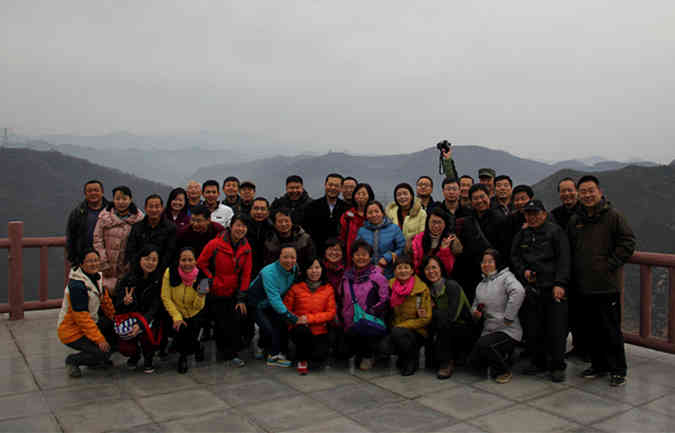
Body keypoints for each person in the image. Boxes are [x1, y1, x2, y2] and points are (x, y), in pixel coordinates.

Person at [568, 175, 635, 387]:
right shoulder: (576, 219)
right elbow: (570, 247)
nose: (587, 195)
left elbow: (628, 242)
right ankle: (598, 365)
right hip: (583, 285)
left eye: (591, 191)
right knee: (591, 329)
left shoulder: (613, 216)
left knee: (611, 329)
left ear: (599, 192)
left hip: (606, 285)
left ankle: (618, 369)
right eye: (583, 191)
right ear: (579, 194)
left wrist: (609, 265)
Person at [511, 200, 571, 383]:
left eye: (536, 213)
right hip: (532, 288)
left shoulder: (555, 232)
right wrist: (523, 271)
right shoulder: (523, 233)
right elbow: (514, 256)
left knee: (556, 329)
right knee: (534, 327)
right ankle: (538, 362)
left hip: (553, 288)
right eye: (528, 214)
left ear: (544, 214)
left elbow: (564, 259)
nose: (532, 217)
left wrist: (560, 283)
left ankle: (557, 366)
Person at [197, 214, 252, 366]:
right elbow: (201, 263)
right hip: (215, 292)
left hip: (233, 292)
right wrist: (212, 279)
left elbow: (246, 274)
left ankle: (233, 350)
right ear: (231, 226)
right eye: (238, 225)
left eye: (244, 226)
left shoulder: (246, 248)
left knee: (239, 316)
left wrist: (241, 298)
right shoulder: (215, 244)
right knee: (223, 321)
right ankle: (229, 354)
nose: (240, 229)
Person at [469, 249, 525, 384]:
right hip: (489, 331)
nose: (486, 264)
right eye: (483, 262)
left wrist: (508, 317)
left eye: (490, 261)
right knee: (473, 364)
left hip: (508, 330)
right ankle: (505, 356)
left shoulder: (506, 277)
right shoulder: (480, 285)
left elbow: (519, 292)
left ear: (497, 263)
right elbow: (475, 305)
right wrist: (475, 313)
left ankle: (503, 370)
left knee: (485, 345)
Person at [57, 249, 115, 377]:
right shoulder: (76, 286)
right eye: (89, 261)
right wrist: (99, 339)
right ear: (81, 264)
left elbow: (106, 302)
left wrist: (116, 319)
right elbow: (82, 318)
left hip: (90, 324)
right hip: (72, 331)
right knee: (103, 352)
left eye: (96, 260)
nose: (94, 264)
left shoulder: (97, 277)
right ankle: (72, 361)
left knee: (115, 334)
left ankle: (95, 360)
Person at [419, 255, 475, 379]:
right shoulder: (427, 289)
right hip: (443, 326)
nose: (431, 271)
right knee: (430, 363)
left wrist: (431, 311)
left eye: (434, 267)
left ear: (441, 269)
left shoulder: (452, 286)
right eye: (427, 269)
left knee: (443, 322)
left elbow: (452, 316)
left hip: (463, 328)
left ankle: (447, 363)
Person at [550, 177, 586, 360]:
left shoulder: (587, 211)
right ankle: (564, 350)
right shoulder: (555, 214)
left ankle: (585, 349)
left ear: (577, 191)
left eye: (570, 190)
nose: (567, 194)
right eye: (563, 191)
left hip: (583, 269)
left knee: (583, 311)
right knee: (565, 311)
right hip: (562, 269)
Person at [245, 245, 299, 367]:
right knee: (268, 328)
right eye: (285, 257)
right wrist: (289, 315)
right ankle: (264, 349)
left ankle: (274, 352)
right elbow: (274, 297)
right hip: (256, 303)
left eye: (293, 257)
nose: (289, 260)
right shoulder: (269, 272)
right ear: (279, 257)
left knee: (279, 324)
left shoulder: (295, 269)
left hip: (270, 303)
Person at [113, 244, 163, 374]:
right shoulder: (126, 279)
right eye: (147, 258)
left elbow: (155, 307)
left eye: (154, 260)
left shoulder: (159, 280)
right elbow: (117, 307)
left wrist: (141, 324)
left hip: (148, 319)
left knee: (150, 336)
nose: (150, 263)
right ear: (139, 259)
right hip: (129, 318)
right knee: (125, 347)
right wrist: (125, 302)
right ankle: (134, 355)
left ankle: (148, 358)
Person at [340, 240, 390, 370]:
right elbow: (342, 298)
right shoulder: (346, 277)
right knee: (342, 352)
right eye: (357, 254)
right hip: (350, 322)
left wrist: (371, 312)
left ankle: (369, 355)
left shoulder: (378, 277)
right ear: (352, 257)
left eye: (364, 254)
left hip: (370, 322)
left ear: (370, 257)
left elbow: (384, 300)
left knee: (367, 337)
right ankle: (359, 352)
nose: (360, 258)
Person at [284, 257, 337, 374]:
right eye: (310, 268)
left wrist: (308, 319)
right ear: (305, 270)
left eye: (317, 268)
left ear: (322, 270)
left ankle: (303, 353)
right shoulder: (295, 287)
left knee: (318, 357)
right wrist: (296, 320)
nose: (314, 271)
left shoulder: (328, 289)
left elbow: (331, 313)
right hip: (299, 328)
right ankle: (302, 360)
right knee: (302, 332)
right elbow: (286, 310)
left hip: (319, 329)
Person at [381, 255, 431, 376]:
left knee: (399, 333)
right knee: (383, 346)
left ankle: (411, 360)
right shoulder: (390, 286)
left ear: (412, 270)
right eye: (399, 268)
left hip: (417, 330)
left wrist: (402, 326)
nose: (403, 271)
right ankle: (403, 355)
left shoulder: (421, 289)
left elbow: (425, 318)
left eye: (406, 267)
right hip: (396, 328)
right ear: (394, 271)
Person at [161, 247, 207, 374]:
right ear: (178, 261)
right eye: (183, 260)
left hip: (194, 313)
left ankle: (197, 346)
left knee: (191, 340)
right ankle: (183, 357)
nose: (187, 263)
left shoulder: (202, 277)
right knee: (180, 332)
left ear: (195, 261)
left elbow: (198, 307)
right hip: (176, 312)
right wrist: (177, 317)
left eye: (190, 260)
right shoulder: (170, 272)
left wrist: (200, 295)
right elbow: (165, 297)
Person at [93, 186, 144, 294]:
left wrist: (132, 264)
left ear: (130, 199)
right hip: (106, 267)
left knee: (124, 296)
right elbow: (97, 240)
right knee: (105, 296)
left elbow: (141, 244)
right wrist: (103, 261)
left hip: (127, 268)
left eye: (124, 199)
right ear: (113, 200)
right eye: (118, 198)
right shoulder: (104, 217)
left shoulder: (139, 219)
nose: (121, 202)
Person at [125, 194, 177, 274]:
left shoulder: (171, 228)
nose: (154, 210)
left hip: (161, 272)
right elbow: (131, 250)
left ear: (162, 208)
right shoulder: (137, 227)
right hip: (138, 271)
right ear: (145, 208)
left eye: (157, 207)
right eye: (151, 206)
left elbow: (170, 252)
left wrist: (158, 270)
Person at [356, 201, 406, 279]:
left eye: (377, 211)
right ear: (366, 215)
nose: (374, 215)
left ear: (382, 213)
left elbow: (401, 248)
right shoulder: (362, 231)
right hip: (367, 273)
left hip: (390, 273)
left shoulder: (394, 228)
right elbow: (357, 250)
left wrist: (387, 258)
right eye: (370, 212)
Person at [303, 173, 349, 256]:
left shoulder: (347, 209)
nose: (333, 188)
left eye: (336, 186)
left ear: (342, 188)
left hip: (339, 254)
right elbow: (307, 233)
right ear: (325, 185)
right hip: (316, 253)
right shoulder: (312, 207)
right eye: (330, 185)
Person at [66, 180, 108, 265]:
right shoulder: (77, 213)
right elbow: (71, 237)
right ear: (85, 194)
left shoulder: (112, 210)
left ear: (102, 192)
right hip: (85, 259)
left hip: (108, 258)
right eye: (89, 191)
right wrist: (73, 258)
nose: (93, 193)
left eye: (96, 190)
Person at [410, 207, 460, 276]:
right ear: (427, 223)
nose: (436, 226)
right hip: (421, 276)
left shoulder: (451, 241)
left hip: (441, 278)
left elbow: (448, 268)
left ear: (445, 224)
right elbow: (414, 264)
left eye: (439, 222)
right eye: (433, 222)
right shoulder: (417, 239)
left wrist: (444, 250)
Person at [339, 182, 374, 268]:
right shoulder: (347, 215)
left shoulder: (374, 215)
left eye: (364, 194)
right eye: (358, 194)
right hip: (351, 256)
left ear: (370, 196)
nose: (361, 196)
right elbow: (342, 237)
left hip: (372, 254)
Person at [246, 197, 274, 278]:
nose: (259, 212)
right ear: (251, 210)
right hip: (246, 270)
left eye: (263, 209)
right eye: (256, 208)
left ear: (268, 212)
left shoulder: (273, 229)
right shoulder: (243, 228)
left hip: (267, 272)